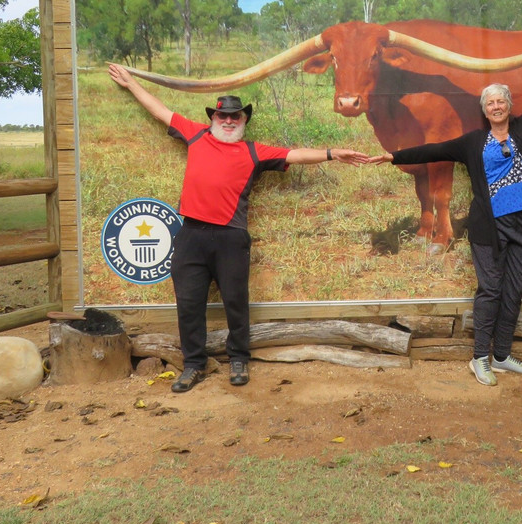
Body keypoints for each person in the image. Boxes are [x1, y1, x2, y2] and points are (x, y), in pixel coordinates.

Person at [107, 63, 368, 392]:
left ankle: (239, 359)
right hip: (191, 236)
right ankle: (193, 365)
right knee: (189, 303)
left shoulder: (254, 151)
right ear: (212, 119)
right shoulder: (196, 135)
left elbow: (296, 154)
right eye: (222, 116)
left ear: (244, 121)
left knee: (235, 301)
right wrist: (131, 84)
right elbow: (161, 111)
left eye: (236, 117)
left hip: (231, 238)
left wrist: (332, 153)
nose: (228, 121)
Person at [366, 42, 522, 386]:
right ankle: (479, 358)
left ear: (509, 106)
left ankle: (501, 355)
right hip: (489, 227)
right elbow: (434, 149)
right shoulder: (472, 142)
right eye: (491, 102)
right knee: (490, 291)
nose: (497, 106)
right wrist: (392, 156)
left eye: (501, 100)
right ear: (484, 111)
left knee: (515, 289)